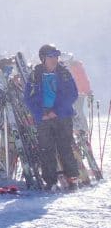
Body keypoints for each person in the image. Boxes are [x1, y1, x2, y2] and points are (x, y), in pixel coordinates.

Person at [23, 43, 81, 190]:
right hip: (43, 118)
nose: (54, 59)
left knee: (65, 147)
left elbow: (73, 94)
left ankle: (73, 179)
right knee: (46, 150)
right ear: (43, 58)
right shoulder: (35, 75)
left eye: (56, 56)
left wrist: (57, 111)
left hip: (62, 116)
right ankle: (50, 181)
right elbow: (28, 98)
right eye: (51, 56)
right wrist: (39, 114)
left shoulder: (64, 73)